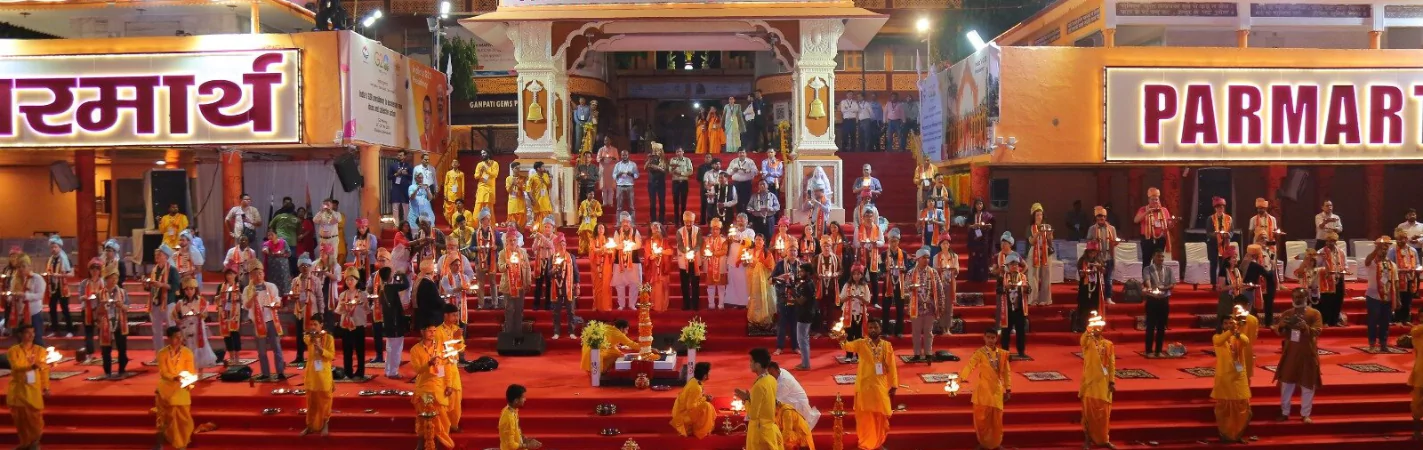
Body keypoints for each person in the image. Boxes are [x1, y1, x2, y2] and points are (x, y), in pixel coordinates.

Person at [837, 321, 897, 450]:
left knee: (880, 415)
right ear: (867, 330)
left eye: (875, 327)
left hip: (880, 385)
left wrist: (894, 385)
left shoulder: (887, 346)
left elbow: (892, 366)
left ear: (880, 328)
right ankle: (866, 443)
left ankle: (878, 442)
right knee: (865, 417)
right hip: (864, 386)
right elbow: (847, 346)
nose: (873, 329)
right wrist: (842, 340)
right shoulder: (861, 343)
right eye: (870, 327)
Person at [1274, 288, 1323, 424]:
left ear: (1306, 297)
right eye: (1295, 296)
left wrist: (1305, 327)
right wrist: (1282, 325)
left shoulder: (1314, 313)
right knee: (1286, 384)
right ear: (1292, 298)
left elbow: (1317, 331)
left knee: (1308, 384)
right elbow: (1279, 331)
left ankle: (1305, 414)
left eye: (1301, 296)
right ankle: (1285, 412)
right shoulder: (1287, 313)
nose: (1298, 299)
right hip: (1291, 353)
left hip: (1308, 353)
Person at [410, 324, 455, 450]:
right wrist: (429, 363)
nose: (432, 333)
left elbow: (448, 367)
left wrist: (449, 385)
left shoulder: (442, 347)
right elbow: (418, 370)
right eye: (429, 330)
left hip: (440, 389)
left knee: (443, 423)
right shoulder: (415, 350)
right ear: (422, 331)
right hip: (424, 390)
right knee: (425, 423)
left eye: (434, 330)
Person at [243, 260, 287, 381]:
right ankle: (265, 373)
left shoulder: (271, 286)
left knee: (276, 347)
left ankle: (280, 372)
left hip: (271, 319)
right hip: (257, 323)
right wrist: (253, 297)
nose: (259, 276)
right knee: (261, 350)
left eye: (260, 273)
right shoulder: (247, 289)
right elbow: (246, 306)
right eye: (256, 274)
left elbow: (278, 300)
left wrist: (276, 304)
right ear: (251, 275)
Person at [6, 324, 49, 449]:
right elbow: (16, 367)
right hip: (19, 390)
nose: (31, 335)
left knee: (35, 418)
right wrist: (32, 367)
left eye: (33, 332)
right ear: (20, 335)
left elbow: (44, 370)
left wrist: (46, 387)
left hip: (33, 389)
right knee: (20, 420)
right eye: (27, 333)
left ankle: (34, 442)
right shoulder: (13, 351)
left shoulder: (40, 350)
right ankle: (25, 443)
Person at [732, 348, 783, 450]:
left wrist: (746, 400)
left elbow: (753, 415)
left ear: (758, 365)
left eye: (751, 361)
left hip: (760, 432)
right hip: (769, 428)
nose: (749, 364)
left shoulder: (759, 385)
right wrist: (750, 398)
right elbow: (765, 401)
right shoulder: (771, 379)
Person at [1212, 317, 1252, 444]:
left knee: (1241, 406)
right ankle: (1226, 434)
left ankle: (1237, 434)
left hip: (1239, 376)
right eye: (1226, 323)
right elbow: (1219, 341)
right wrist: (1231, 330)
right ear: (1222, 325)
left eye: (1231, 323)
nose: (1228, 325)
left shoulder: (1239, 337)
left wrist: (1237, 333)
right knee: (1225, 408)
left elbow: (1246, 341)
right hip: (1225, 377)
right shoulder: (1217, 337)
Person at [156, 326, 195, 450]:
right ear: (169, 338)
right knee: (165, 417)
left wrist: (188, 381)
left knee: (184, 417)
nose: (179, 339)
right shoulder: (162, 353)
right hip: (166, 388)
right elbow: (163, 372)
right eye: (175, 337)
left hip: (181, 387)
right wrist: (174, 378)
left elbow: (190, 371)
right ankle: (161, 443)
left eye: (180, 336)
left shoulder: (187, 352)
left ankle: (182, 442)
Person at [1080, 313, 1116, 449]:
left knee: (1104, 414)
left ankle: (1104, 439)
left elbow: (1112, 364)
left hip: (1104, 384)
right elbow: (1082, 340)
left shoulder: (1109, 344)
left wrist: (1112, 381)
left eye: (1099, 327)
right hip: (1090, 383)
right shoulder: (1087, 342)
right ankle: (1087, 440)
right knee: (1088, 414)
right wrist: (1088, 329)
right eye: (1095, 327)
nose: (1097, 329)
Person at [906, 248, 947, 362]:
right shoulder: (910, 273)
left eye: (928, 258)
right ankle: (917, 354)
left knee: (928, 332)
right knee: (916, 332)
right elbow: (904, 290)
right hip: (916, 307)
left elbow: (939, 289)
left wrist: (941, 304)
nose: (926, 260)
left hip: (930, 307)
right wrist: (911, 288)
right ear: (918, 259)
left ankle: (928, 353)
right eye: (924, 258)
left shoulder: (933, 272)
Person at [375, 249, 411, 379]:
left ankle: (388, 369)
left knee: (390, 347)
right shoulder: (391, 288)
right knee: (396, 348)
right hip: (395, 321)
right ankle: (393, 371)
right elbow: (406, 285)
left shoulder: (382, 288)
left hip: (389, 322)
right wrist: (402, 275)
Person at [173, 277, 217, 369]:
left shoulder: (201, 300)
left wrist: (202, 315)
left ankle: (200, 371)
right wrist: (177, 319)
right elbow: (173, 314)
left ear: (195, 289)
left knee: (199, 347)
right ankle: (189, 368)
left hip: (198, 326)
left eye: (191, 289)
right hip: (186, 326)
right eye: (186, 289)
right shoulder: (181, 302)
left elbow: (205, 314)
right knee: (188, 347)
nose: (189, 291)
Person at [1365, 236, 1399, 352]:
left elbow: (1396, 283)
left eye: (1385, 249)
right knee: (1373, 320)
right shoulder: (1373, 263)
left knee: (1385, 321)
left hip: (1387, 296)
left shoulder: (1392, 265)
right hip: (1373, 296)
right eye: (1381, 249)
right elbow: (1367, 260)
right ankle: (1372, 344)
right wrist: (1376, 249)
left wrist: (1397, 299)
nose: (1383, 251)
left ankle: (1383, 344)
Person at [301, 319, 334, 436]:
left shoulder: (329, 338)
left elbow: (331, 355)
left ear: (321, 325)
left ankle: (325, 424)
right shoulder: (309, 338)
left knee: (325, 400)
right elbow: (307, 339)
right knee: (311, 401)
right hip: (312, 374)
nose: (313, 327)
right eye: (311, 324)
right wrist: (314, 337)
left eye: (315, 324)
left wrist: (322, 351)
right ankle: (309, 426)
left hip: (324, 374)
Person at [336, 266, 370, 379]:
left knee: (360, 349)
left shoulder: (362, 294)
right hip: (346, 325)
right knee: (347, 350)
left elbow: (368, 310)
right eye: (347, 280)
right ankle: (348, 371)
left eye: (352, 279)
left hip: (358, 323)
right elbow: (338, 310)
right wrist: (343, 306)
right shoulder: (343, 295)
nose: (350, 282)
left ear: (357, 280)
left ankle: (360, 372)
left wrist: (364, 304)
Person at [146, 245, 180, 354]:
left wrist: (161, 285)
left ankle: (174, 352)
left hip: (168, 303)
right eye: (156, 254)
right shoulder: (154, 270)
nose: (157, 256)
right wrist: (147, 285)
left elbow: (175, 287)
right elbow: (152, 287)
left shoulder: (173, 270)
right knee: (156, 332)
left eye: (159, 254)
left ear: (166, 257)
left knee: (171, 328)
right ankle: (159, 354)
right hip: (155, 303)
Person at [289, 254, 323, 365]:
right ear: (299, 267)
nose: (304, 268)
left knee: (313, 335)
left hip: (312, 311)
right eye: (302, 266)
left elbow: (319, 297)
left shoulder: (315, 280)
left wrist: (321, 312)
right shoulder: (295, 281)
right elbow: (291, 295)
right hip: (299, 311)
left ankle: (314, 356)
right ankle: (299, 356)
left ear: (310, 266)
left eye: (307, 265)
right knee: (300, 335)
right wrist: (292, 297)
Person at [767, 361, 820, 431]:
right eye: (769, 374)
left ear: (777, 370)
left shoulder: (784, 382)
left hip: (798, 405)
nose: (770, 376)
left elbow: (773, 399)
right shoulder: (781, 371)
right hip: (792, 399)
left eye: (771, 373)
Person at [438, 304, 466, 432]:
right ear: (445, 315)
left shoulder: (456, 329)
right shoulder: (438, 332)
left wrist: (458, 339)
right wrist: (454, 339)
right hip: (442, 368)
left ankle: (454, 424)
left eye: (457, 315)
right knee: (446, 395)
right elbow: (440, 351)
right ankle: (445, 425)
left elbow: (461, 349)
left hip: (454, 366)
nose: (456, 317)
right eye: (454, 315)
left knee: (457, 395)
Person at [670, 362, 716, 439]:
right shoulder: (696, 387)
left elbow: (694, 399)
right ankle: (698, 431)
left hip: (682, 411)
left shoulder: (694, 380)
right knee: (707, 406)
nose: (710, 374)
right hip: (683, 416)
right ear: (705, 376)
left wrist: (704, 397)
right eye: (709, 373)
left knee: (706, 405)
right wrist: (705, 399)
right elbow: (691, 408)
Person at [1134, 187, 1172, 278]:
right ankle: (1146, 282)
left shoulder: (1164, 210)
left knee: (1158, 261)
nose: (1155, 201)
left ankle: (1157, 281)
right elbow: (1136, 220)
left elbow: (1168, 224)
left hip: (1161, 239)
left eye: (1156, 199)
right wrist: (1147, 212)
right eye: (1153, 200)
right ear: (1149, 200)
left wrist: (1171, 224)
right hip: (1147, 239)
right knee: (1146, 261)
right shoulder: (1143, 209)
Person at [1143, 251, 1176, 357]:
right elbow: (1147, 280)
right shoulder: (1148, 269)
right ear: (1153, 257)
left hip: (1164, 299)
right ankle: (1148, 351)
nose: (1161, 258)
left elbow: (1172, 284)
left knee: (1162, 326)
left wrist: (1163, 288)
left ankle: (1158, 350)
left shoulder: (1168, 269)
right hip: (1152, 299)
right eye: (1158, 256)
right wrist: (1150, 288)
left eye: (1162, 256)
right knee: (1151, 326)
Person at [497, 233, 531, 331]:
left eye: (514, 240)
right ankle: (509, 333)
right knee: (509, 310)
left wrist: (528, 282)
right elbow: (500, 267)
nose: (512, 242)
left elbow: (528, 268)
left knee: (519, 310)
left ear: (517, 241)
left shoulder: (523, 252)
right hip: (508, 287)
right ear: (506, 242)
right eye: (510, 240)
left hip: (520, 286)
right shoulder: (502, 253)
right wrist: (506, 265)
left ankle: (518, 332)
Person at [999, 258, 1031, 358]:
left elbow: (1029, 290)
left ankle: (1021, 351)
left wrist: (1026, 289)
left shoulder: (1023, 277)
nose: (1014, 267)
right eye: (1012, 265)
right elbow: (998, 290)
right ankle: (1004, 351)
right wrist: (1005, 288)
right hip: (1007, 309)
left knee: (1021, 331)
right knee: (1005, 332)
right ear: (1008, 267)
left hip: (1019, 308)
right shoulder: (1003, 277)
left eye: (1016, 265)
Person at [548, 235, 579, 338]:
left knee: (571, 311)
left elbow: (576, 272)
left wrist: (577, 285)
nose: (562, 246)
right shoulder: (552, 258)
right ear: (556, 246)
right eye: (560, 245)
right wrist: (553, 270)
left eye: (564, 244)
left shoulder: (571, 257)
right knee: (556, 311)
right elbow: (548, 274)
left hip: (568, 287)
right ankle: (556, 332)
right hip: (556, 288)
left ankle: (571, 332)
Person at [42, 235, 72, 338]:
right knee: (52, 309)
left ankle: (70, 329)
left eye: (55, 247)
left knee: (65, 309)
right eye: (51, 247)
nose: (53, 249)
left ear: (60, 247)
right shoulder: (50, 259)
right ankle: (54, 329)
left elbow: (71, 274)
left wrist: (59, 275)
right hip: (52, 287)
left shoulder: (65, 258)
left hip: (62, 288)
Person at [1025, 203, 1055, 306]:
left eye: (1040, 215)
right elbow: (1032, 242)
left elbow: (1050, 242)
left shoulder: (1047, 226)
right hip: (1034, 252)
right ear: (1033, 216)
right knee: (1033, 277)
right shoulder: (1030, 227)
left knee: (1046, 276)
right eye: (1037, 215)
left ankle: (1045, 299)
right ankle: (1033, 300)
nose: (1039, 217)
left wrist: (1050, 235)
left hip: (1046, 253)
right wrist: (1038, 233)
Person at [1317, 231, 1348, 326]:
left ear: (1336, 241)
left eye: (1333, 241)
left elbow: (1345, 265)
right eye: (1328, 241)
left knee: (1338, 300)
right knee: (1327, 301)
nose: (1330, 243)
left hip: (1339, 279)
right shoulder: (1321, 252)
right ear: (1326, 241)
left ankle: (1335, 321)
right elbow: (1316, 267)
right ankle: (1326, 321)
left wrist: (1344, 272)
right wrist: (1325, 270)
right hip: (1326, 280)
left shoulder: (1341, 252)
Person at [500, 384, 543, 449]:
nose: (525, 399)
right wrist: (528, 446)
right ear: (516, 400)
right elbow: (510, 445)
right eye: (523, 397)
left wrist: (525, 439)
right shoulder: (508, 418)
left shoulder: (513, 410)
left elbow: (516, 432)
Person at [726, 214, 755, 309]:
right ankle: (733, 301)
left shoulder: (750, 232)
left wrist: (737, 240)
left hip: (744, 260)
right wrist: (729, 240)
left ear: (747, 221)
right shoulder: (733, 231)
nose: (741, 223)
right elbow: (728, 243)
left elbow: (750, 243)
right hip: (732, 259)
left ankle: (744, 302)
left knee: (744, 282)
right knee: (733, 281)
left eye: (742, 221)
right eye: (739, 221)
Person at [214, 268, 242, 366]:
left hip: (236, 311)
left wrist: (239, 295)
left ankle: (237, 357)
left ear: (235, 275)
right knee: (227, 335)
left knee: (235, 334)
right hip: (224, 311)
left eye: (231, 274)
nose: (229, 276)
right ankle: (231, 356)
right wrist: (218, 297)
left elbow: (244, 298)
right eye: (227, 274)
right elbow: (216, 299)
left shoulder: (240, 285)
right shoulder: (221, 286)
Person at [1392, 230, 1419, 325]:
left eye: (1401, 239)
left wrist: (1417, 269)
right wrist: (1402, 270)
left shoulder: (1413, 251)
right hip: (1398, 279)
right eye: (1397, 239)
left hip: (1411, 278)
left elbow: (1418, 264)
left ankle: (1406, 319)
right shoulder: (1392, 251)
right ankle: (1398, 319)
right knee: (1400, 300)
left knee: (1408, 300)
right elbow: (1391, 266)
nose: (1399, 241)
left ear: (1406, 239)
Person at [677, 212, 703, 310]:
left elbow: (699, 243)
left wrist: (693, 251)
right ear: (683, 221)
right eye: (686, 221)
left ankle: (696, 305)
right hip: (684, 260)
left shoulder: (698, 230)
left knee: (695, 284)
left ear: (693, 221)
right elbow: (679, 244)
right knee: (685, 284)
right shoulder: (679, 231)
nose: (688, 223)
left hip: (696, 259)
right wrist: (686, 251)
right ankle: (686, 305)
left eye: (690, 221)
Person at [967, 198, 997, 283]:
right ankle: (973, 277)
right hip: (974, 238)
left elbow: (991, 225)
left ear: (983, 205)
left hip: (983, 239)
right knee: (973, 257)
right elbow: (968, 226)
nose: (979, 206)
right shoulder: (972, 214)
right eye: (977, 204)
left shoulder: (987, 215)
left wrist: (986, 225)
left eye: (980, 204)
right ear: (975, 205)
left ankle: (983, 277)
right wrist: (973, 226)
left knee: (983, 257)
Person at [1208, 197, 1234, 285]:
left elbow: (1231, 231)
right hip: (1214, 245)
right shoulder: (1210, 219)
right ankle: (1214, 284)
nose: (1220, 209)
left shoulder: (1229, 218)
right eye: (1218, 207)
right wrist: (1215, 234)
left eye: (1222, 207)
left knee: (1224, 265)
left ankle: (1224, 283)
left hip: (1225, 244)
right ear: (1215, 208)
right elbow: (1208, 233)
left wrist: (1228, 235)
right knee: (1213, 265)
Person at [591, 224, 614, 311]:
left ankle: (606, 306)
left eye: (602, 228)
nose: (601, 229)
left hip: (606, 266)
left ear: (604, 230)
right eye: (599, 228)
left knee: (606, 286)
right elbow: (592, 251)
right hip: (596, 266)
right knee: (597, 286)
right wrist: (602, 250)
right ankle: (597, 305)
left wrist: (609, 252)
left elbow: (612, 253)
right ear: (596, 229)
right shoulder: (593, 240)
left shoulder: (608, 240)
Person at [388, 151, 413, 226]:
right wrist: (396, 174)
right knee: (395, 207)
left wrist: (407, 174)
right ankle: (396, 225)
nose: (399, 156)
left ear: (404, 156)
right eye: (398, 155)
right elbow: (389, 177)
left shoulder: (409, 166)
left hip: (405, 189)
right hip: (396, 189)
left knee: (406, 208)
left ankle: (406, 224)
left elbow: (412, 177)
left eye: (401, 155)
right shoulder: (393, 166)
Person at [670, 148, 694, 225]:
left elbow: (690, 171)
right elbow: (670, 171)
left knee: (684, 202)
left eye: (680, 151)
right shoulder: (673, 160)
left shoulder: (687, 160)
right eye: (677, 152)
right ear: (675, 153)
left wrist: (681, 173)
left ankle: (683, 220)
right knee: (676, 202)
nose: (679, 153)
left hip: (684, 182)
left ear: (683, 152)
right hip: (675, 182)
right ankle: (676, 221)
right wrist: (673, 170)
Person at [728, 150, 757, 214]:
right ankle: (739, 216)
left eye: (743, 153)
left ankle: (747, 218)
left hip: (747, 183)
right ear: (738, 154)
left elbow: (756, 172)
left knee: (747, 200)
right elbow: (728, 172)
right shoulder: (733, 161)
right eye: (740, 153)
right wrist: (733, 170)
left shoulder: (750, 161)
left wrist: (749, 170)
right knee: (737, 200)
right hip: (736, 183)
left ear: (746, 154)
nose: (741, 154)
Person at [645, 143, 668, 223]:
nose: (655, 151)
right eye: (654, 149)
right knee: (652, 203)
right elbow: (645, 168)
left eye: (657, 149)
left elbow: (666, 171)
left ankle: (661, 220)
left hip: (661, 183)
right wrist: (649, 160)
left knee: (662, 202)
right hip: (651, 183)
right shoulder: (651, 157)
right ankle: (653, 220)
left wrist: (657, 168)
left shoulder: (663, 159)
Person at [528, 161, 554, 229]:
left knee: (548, 217)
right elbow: (528, 190)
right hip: (537, 201)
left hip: (546, 201)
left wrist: (549, 179)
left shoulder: (545, 175)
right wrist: (532, 200)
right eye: (543, 167)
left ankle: (547, 232)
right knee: (538, 219)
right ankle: (538, 232)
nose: (544, 168)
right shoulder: (532, 177)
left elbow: (550, 186)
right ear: (538, 168)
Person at [597, 136, 620, 205]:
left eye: (608, 140)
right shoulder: (601, 149)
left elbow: (617, 159)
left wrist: (613, 158)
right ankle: (604, 202)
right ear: (604, 141)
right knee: (604, 187)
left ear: (610, 141)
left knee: (610, 187)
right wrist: (601, 159)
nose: (606, 142)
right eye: (605, 140)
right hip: (603, 170)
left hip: (611, 170)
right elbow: (597, 158)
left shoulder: (614, 149)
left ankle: (610, 202)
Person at [1410, 321, 1423, 440]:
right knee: (1417, 403)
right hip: (1421, 372)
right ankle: (1417, 432)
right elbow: (1414, 332)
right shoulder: (1418, 332)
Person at [505, 162, 528, 229]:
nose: (518, 169)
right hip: (512, 203)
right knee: (512, 225)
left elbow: (524, 189)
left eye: (519, 168)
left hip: (520, 203)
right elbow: (508, 191)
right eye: (516, 168)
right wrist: (512, 184)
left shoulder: (523, 178)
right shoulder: (508, 179)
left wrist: (517, 184)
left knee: (521, 225)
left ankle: (521, 237)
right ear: (512, 169)